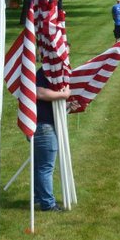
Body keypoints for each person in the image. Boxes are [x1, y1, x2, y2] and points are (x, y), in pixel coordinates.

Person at [34, 68, 71, 212]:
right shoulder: (44, 72)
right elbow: (39, 92)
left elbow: (50, 101)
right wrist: (64, 95)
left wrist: (66, 105)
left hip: (42, 125)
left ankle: (39, 197)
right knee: (45, 167)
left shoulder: (57, 75)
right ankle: (48, 204)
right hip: (43, 127)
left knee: (39, 165)